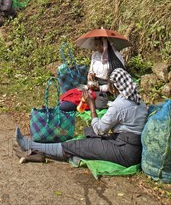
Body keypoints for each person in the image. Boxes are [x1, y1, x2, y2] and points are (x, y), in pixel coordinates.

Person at [15, 68, 148, 167]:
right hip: (132, 147)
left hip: (124, 150)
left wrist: (91, 105)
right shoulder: (139, 101)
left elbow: (100, 130)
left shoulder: (119, 105)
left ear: (115, 87)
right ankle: (44, 154)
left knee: (78, 144)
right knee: (88, 135)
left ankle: (31, 146)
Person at [60, 37, 125, 111]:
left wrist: (100, 88)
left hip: (108, 88)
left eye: (98, 45)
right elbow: (91, 70)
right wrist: (90, 75)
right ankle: (71, 102)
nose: (96, 48)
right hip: (93, 86)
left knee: (99, 104)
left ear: (105, 45)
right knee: (73, 95)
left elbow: (117, 82)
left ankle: (103, 102)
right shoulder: (95, 55)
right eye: (95, 45)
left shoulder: (116, 57)